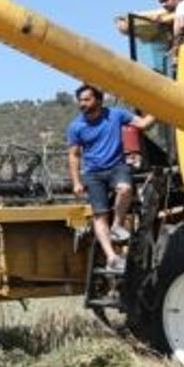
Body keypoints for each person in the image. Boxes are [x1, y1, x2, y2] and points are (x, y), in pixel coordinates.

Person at [67, 85, 155, 272]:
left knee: (125, 189)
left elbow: (144, 124)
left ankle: (117, 226)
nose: (82, 104)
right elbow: (74, 155)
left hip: (117, 167)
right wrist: (76, 182)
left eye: (86, 100)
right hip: (92, 173)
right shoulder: (76, 127)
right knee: (100, 216)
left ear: (98, 100)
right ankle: (112, 257)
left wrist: (160, 109)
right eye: (80, 100)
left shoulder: (116, 115)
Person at [155, 0, 184, 70]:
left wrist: (175, 52)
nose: (163, 5)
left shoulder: (182, 5)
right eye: (161, 2)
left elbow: (182, 25)